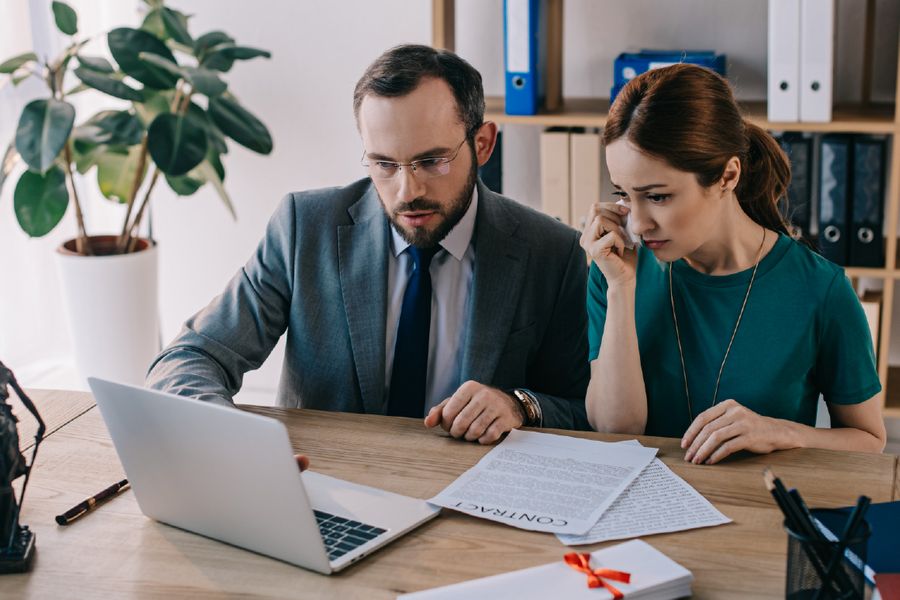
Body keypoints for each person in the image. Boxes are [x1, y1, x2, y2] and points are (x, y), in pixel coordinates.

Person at [147, 44, 591, 450]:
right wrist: (235, 441)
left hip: (472, 499)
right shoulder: (305, 227)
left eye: (431, 161)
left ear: (483, 144)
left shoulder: (552, 251)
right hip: (329, 485)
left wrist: (521, 406)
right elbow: (191, 357)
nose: (406, 191)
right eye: (384, 164)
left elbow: (584, 410)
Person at [580, 63, 886, 465]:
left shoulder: (820, 290)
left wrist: (779, 431)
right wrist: (620, 290)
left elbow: (869, 440)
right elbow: (616, 431)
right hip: (639, 514)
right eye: (624, 194)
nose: (637, 223)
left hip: (757, 514)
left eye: (657, 196)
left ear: (727, 175)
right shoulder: (615, 272)